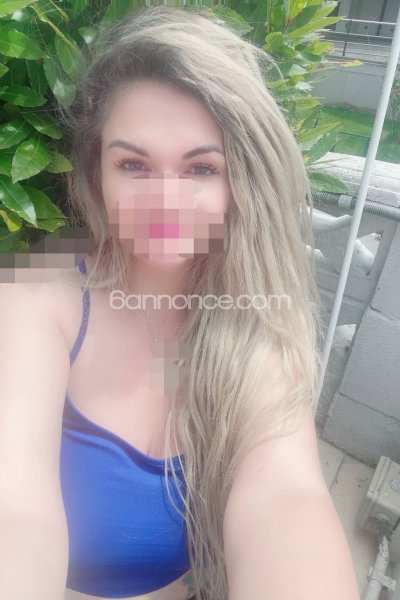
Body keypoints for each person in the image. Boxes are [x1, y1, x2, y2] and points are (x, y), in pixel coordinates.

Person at [0, 5, 361, 600]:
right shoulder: (34, 303)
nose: (165, 201)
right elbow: (14, 515)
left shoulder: (259, 320)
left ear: (239, 182)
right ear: (97, 177)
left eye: (200, 168)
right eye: (133, 164)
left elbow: (286, 497)